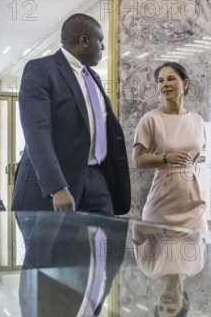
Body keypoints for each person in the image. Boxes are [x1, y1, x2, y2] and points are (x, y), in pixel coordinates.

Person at [12, 13, 130, 216]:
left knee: (105, 244)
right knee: (60, 248)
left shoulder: (93, 78)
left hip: (96, 179)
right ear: (84, 40)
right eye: (100, 40)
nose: (103, 47)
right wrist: (57, 187)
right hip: (57, 184)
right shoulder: (40, 70)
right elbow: (36, 133)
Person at [17, 211, 128, 317]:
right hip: (103, 216)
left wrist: (56, 214)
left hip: (65, 212)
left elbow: (35, 262)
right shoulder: (92, 315)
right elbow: (106, 272)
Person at [133, 62, 207, 231]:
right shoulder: (150, 119)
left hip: (193, 205)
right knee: (162, 257)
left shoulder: (198, 121)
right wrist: (166, 158)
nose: (165, 84)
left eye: (171, 79)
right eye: (160, 81)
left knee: (194, 254)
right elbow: (138, 161)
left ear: (185, 84)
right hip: (161, 206)